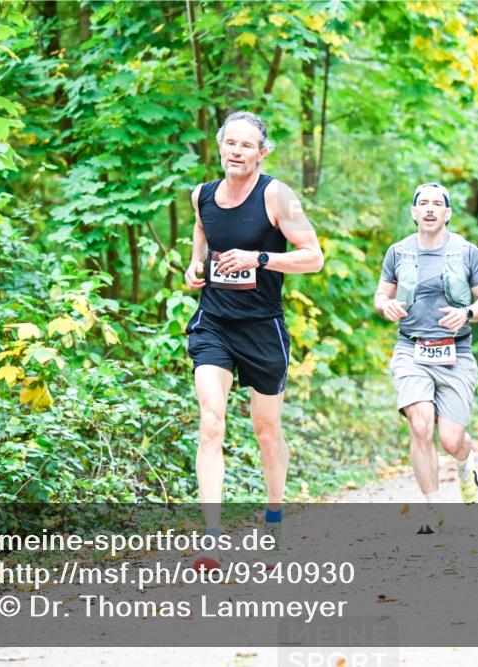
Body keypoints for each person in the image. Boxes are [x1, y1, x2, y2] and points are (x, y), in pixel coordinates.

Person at [183, 111, 324, 567]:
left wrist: (260, 257)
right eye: (230, 144)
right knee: (211, 421)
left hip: (263, 327)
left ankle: (275, 516)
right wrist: (195, 265)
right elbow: (203, 236)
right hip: (215, 324)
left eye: (247, 145)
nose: (236, 152)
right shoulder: (201, 195)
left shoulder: (276, 196)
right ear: (220, 146)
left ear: (262, 152)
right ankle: (210, 536)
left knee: (266, 432)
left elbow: (313, 258)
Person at [374, 182, 478, 534]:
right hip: (412, 350)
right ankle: (431, 507)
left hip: (455, 352)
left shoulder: (466, 251)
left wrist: (469, 313)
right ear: (414, 213)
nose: (429, 209)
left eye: (436, 204)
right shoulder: (398, 252)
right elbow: (381, 295)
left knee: (451, 440)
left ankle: (465, 463)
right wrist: (386, 305)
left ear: (447, 213)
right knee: (421, 424)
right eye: (422, 203)